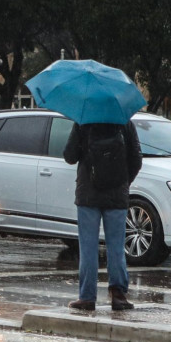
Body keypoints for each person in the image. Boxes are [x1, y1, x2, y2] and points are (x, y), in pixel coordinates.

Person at [63, 119, 142, 312]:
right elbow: (137, 159)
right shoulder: (125, 123)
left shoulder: (83, 122)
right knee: (116, 246)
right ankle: (118, 296)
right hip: (117, 195)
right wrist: (124, 181)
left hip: (88, 195)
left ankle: (87, 297)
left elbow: (69, 156)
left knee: (88, 247)